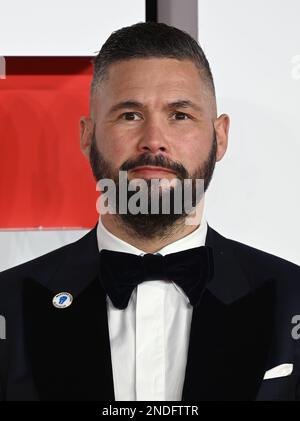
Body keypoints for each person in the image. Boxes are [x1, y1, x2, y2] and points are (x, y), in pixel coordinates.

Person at [0, 21, 300, 402]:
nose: (154, 141)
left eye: (179, 115)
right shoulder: (8, 305)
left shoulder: (293, 298)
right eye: (130, 115)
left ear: (219, 136)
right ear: (87, 136)